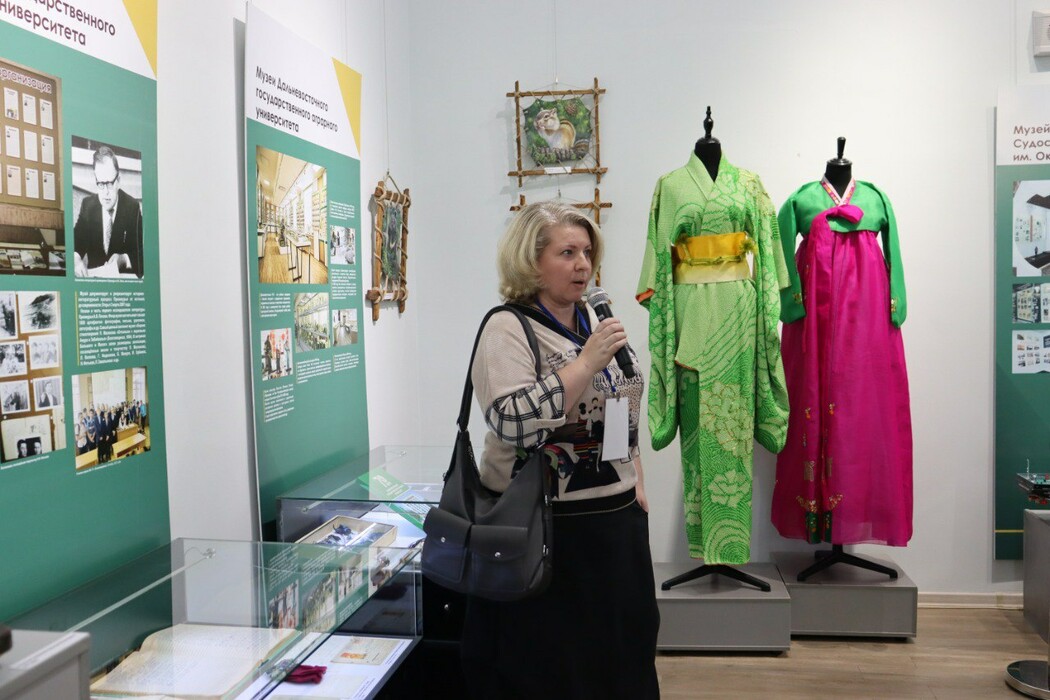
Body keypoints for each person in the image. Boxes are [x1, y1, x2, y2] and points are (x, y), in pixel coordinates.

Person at [460, 201, 659, 699]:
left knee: (623, 654)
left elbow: (624, 400)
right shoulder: (507, 327)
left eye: (587, 252)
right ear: (531, 261)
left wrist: (635, 475)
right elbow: (512, 422)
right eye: (567, 253)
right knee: (555, 666)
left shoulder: (593, 318)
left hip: (614, 526)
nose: (582, 265)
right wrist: (586, 362)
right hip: (545, 530)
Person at [73, 145, 143, 279]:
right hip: (94, 285)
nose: (105, 192)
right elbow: (76, 241)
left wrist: (124, 259)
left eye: (110, 184)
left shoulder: (132, 207)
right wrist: (75, 259)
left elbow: (141, 255)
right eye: (100, 184)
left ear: (118, 181)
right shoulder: (87, 206)